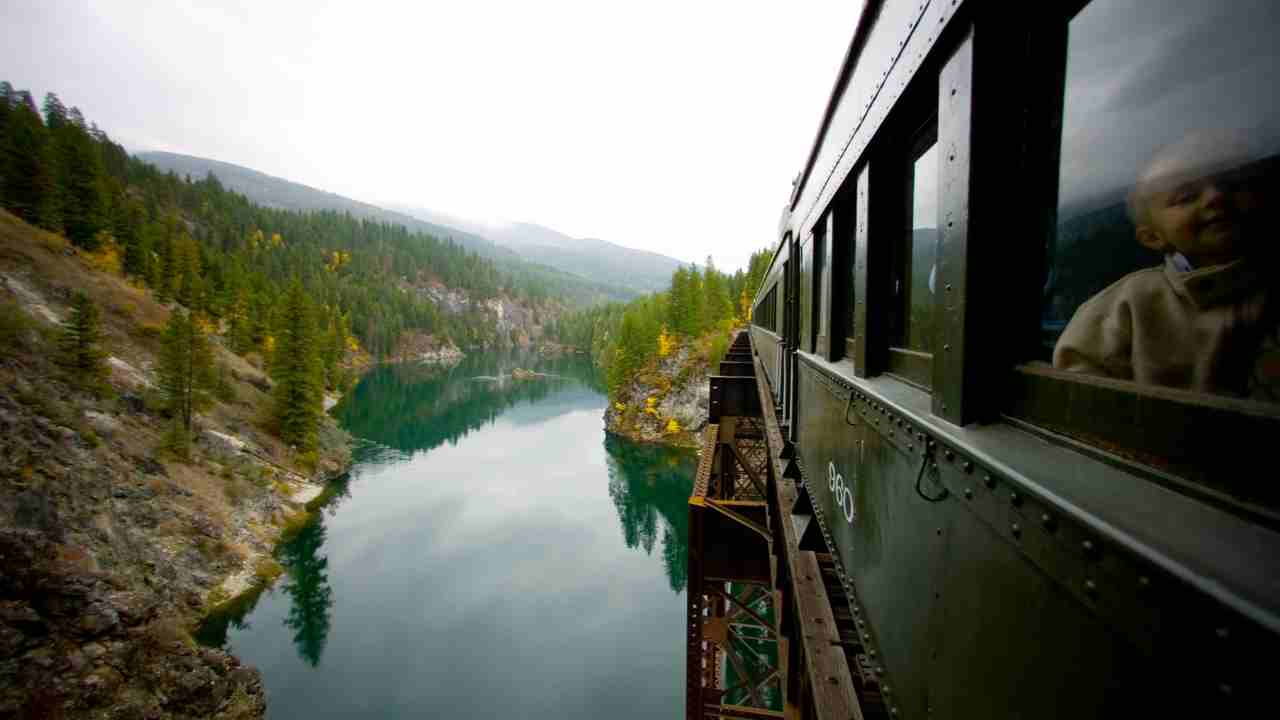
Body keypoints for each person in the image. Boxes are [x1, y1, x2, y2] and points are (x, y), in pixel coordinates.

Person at [1053, 132, 1276, 401]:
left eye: (1231, 184)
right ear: (1152, 237)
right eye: (1186, 197)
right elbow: (1077, 390)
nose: (1215, 196)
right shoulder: (1127, 305)